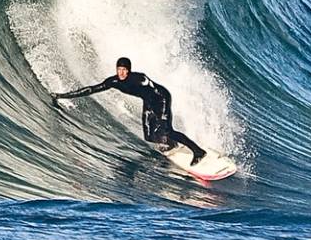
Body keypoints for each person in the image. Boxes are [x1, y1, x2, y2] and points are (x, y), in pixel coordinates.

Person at [53, 57, 206, 164]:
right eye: (119, 69)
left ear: (129, 70)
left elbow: (151, 86)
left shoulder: (139, 79)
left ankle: (198, 151)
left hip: (161, 99)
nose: (121, 73)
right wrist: (63, 96)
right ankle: (172, 144)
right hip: (148, 102)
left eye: (124, 70)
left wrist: (158, 113)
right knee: (148, 136)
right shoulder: (114, 81)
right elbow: (91, 89)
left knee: (166, 130)